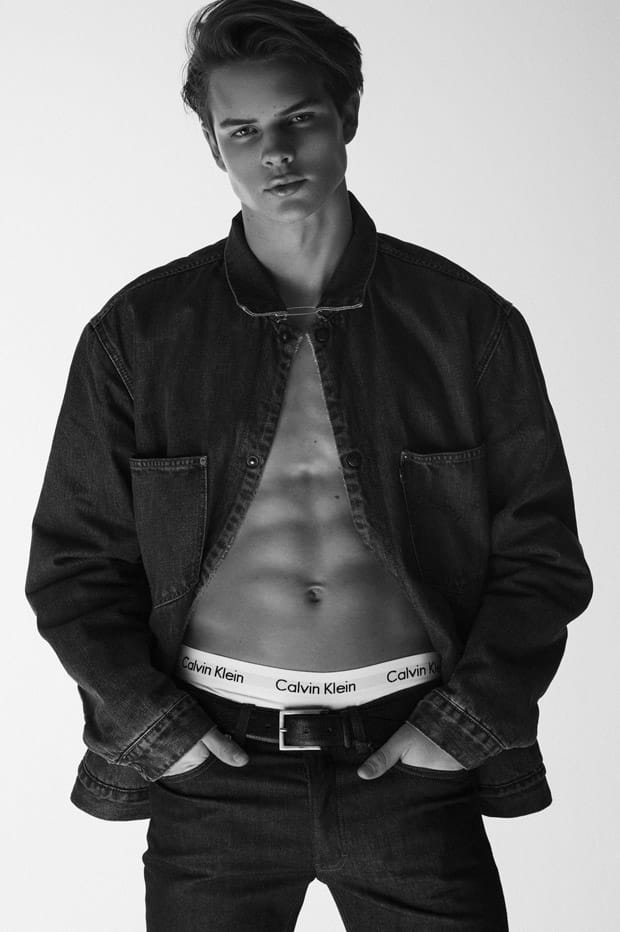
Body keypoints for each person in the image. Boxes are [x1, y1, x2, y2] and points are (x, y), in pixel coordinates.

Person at [24, 1, 593, 929]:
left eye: (300, 119)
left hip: (411, 759)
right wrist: (161, 735)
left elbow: (541, 556)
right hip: (215, 773)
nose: (276, 153)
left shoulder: (465, 325)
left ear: (348, 116)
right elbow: (75, 567)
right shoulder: (139, 334)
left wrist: (460, 728)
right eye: (243, 131)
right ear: (213, 145)